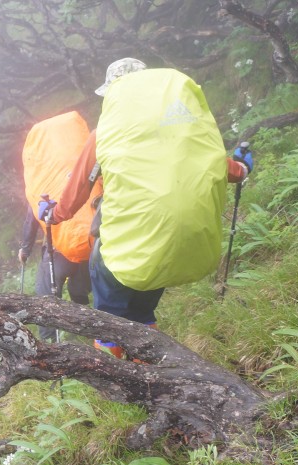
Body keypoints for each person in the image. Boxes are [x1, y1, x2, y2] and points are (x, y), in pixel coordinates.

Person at [50, 58, 252, 359]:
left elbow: (76, 192)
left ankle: (113, 379)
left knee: (109, 318)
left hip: (124, 252)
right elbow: (224, 168)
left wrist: (53, 215)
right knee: (142, 311)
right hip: (176, 250)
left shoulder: (105, 132)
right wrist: (243, 167)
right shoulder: (182, 129)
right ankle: (147, 364)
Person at [17, 111, 101, 341]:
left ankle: (49, 341)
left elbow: (33, 216)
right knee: (79, 292)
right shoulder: (89, 169)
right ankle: (85, 329)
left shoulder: (42, 181)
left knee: (47, 295)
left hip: (60, 251)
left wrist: (25, 248)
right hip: (90, 244)